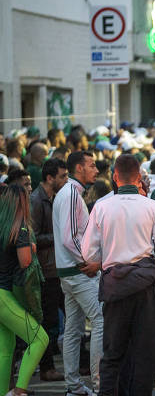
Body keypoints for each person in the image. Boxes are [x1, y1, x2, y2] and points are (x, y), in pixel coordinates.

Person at [81, 154, 155, 396]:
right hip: (146, 288)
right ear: (139, 179)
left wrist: (109, 250)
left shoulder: (102, 207)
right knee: (146, 354)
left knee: (113, 354)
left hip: (115, 288)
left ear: (115, 177)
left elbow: (87, 253)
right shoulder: (153, 207)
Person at [52, 151, 103, 396]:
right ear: (79, 168)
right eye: (92, 165)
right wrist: (89, 262)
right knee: (100, 320)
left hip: (69, 272)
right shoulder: (72, 194)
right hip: (78, 271)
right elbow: (70, 237)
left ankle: (73, 385)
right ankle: (100, 384)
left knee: (73, 329)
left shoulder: (69, 193)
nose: (96, 169)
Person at [0, 185, 50, 396]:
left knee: (5, 348)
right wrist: (32, 246)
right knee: (40, 339)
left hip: (4, 294)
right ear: (22, 202)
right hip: (4, 294)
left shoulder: (3, 224)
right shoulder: (19, 227)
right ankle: (19, 392)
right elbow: (25, 261)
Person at [29, 157, 68, 381]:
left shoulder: (53, 197)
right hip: (46, 270)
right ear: (49, 178)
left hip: (56, 267)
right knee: (49, 321)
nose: (66, 180)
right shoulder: (37, 200)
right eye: (62, 176)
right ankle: (46, 367)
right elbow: (31, 237)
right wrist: (60, 236)